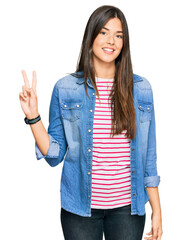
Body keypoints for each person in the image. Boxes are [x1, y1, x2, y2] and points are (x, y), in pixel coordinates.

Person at [19, 5, 163, 240]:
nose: (111, 41)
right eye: (104, 32)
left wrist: (156, 209)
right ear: (91, 37)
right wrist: (33, 117)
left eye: (119, 35)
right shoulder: (66, 89)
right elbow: (54, 156)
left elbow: (149, 157)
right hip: (79, 208)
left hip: (128, 208)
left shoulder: (140, 89)